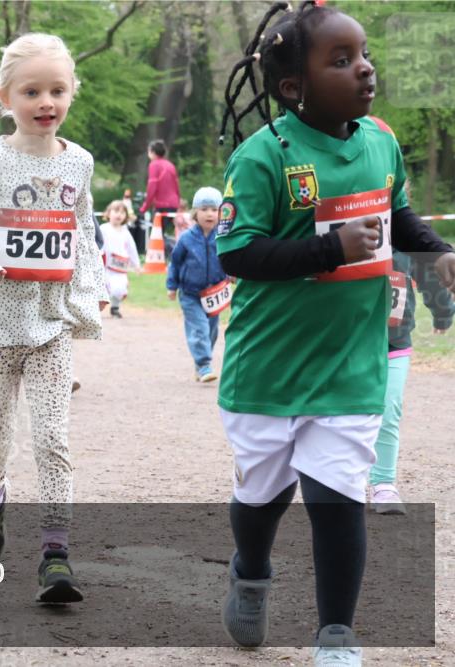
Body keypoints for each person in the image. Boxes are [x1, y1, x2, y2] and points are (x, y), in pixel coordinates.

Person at [214, 2, 455, 664]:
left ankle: (336, 635)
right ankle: (252, 569)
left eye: (365, 53)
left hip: (351, 364)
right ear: (294, 87)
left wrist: (437, 252)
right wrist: (331, 250)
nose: (365, 68)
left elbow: (396, 213)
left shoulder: (379, 140)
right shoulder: (263, 156)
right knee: (261, 497)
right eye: (342, 60)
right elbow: (237, 254)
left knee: (337, 496)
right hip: (268, 371)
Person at [0, 33, 106, 604]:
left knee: (54, 437)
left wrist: (92, 293)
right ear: (5, 97)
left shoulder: (78, 163)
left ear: (71, 95)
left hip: (51, 323)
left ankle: (56, 554)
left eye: (57, 90)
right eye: (31, 91)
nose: (45, 102)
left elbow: (83, 234)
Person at [368, 249, 453, 514]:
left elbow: (430, 276)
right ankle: (337, 481)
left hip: (394, 341)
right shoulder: (337, 231)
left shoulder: (406, 240)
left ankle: (383, 483)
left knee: (389, 408)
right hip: (345, 343)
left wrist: (443, 312)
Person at [166, 186, 227, 382]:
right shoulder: (185, 239)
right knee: (199, 328)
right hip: (190, 294)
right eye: (204, 209)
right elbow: (175, 263)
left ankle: (200, 364)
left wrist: (233, 275)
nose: (209, 214)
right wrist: (172, 286)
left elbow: (229, 260)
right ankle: (204, 365)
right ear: (195, 213)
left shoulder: (224, 237)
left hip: (215, 294)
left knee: (211, 330)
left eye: (214, 209)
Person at [100, 199, 140, 318]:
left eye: (122, 213)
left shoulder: (125, 232)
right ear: (108, 213)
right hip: (106, 266)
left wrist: (136, 264)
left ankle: (115, 307)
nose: (119, 215)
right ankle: (96, 308)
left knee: (120, 288)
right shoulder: (103, 229)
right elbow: (97, 243)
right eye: (116, 211)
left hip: (120, 266)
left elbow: (132, 249)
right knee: (104, 287)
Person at [139, 139, 181, 238]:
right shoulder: (170, 165)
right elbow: (176, 187)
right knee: (161, 233)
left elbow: (152, 187)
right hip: (173, 204)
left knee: (156, 235)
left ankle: (159, 253)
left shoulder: (154, 165)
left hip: (162, 205)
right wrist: (178, 203)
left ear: (152, 152)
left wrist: (144, 207)